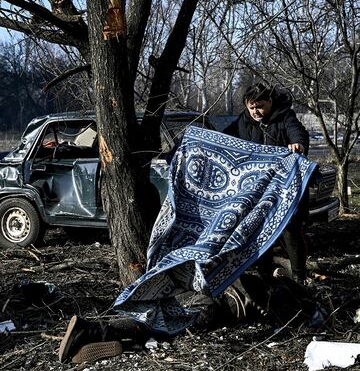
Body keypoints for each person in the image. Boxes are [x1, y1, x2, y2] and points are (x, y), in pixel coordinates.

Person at [58, 272, 316, 364]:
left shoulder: (250, 276)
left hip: (200, 296)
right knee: (158, 328)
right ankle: (98, 334)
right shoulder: (273, 292)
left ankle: (95, 332)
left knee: (154, 319)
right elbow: (285, 315)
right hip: (217, 309)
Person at [224, 82, 310, 284]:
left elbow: (299, 133)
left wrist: (298, 145)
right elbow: (224, 138)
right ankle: (265, 275)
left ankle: (300, 277)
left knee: (290, 228)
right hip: (257, 188)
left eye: (260, 106)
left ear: (270, 101)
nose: (255, 112)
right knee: (259, 229)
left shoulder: (285, 116)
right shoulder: (243, 121)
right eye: (251, 107)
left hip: (285, 187)